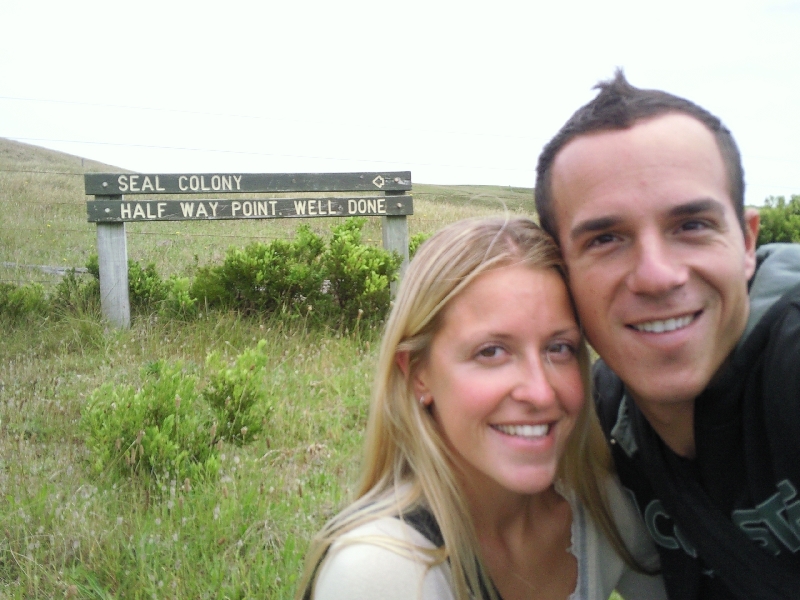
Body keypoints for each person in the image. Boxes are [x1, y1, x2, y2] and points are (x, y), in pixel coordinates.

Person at [296, 216, 666, 600]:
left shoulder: (601, 511)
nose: (540, 393)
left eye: (559, 348)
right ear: (418, 375)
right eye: (491, 352)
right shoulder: (380, 571)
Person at [534, 70, 800, 600]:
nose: (657, 276)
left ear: (747, 242)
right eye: (606, 238)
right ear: (560, 272)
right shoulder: (586, 421)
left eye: (692, 226)